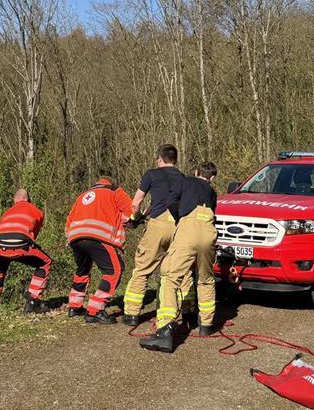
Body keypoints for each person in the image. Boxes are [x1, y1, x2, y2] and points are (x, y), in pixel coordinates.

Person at [140, 162, 220, 352]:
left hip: (188, 228)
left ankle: (165, 330)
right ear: (212, 178)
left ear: (195, 172)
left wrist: (179, 219)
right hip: (209, 231)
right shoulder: (212, 192)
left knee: (170, 277)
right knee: (205, 278)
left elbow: (170, 202)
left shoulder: (184, 181)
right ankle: (206, 325)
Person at [121, 144, 185, 326]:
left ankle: (131, 314)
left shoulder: (151, 174)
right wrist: (147, 213)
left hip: (157, 226)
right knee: (173, 272)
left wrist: (135, 217)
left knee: (142, 269)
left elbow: (137, 201)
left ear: (159, 159)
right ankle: (178, 311)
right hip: (176, 226)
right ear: (175, 159)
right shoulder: (181, 177)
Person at [65, 172, 134, 324]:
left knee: (82, 270)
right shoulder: (114, 191)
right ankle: (95, 310)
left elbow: (69, 219)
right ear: (111, 182)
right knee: (114, 270)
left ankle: (74, 306)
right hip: (99, 237)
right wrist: (135, 220)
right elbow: (131, 212)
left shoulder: (82, 196)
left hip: (75, 237)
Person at [0, 189, 50, 318]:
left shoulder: (6, 212)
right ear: (28, 200)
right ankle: (32, 302)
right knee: (45, 262)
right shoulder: (36, 211)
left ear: (15, 201)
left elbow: (0, 231)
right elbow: (33, 236)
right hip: (21, 244)